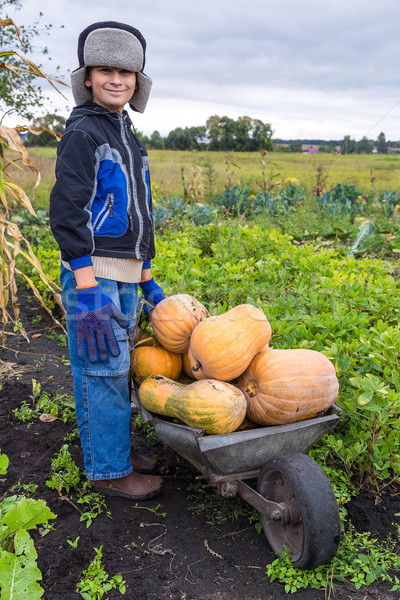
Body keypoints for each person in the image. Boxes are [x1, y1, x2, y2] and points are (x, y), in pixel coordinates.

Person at [50, 21, 164, 500]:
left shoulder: (126, 135)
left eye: (126, 71)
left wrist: (148, 279)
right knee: (102, 370)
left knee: (119, 367)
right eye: (105, 70)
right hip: (92, 277)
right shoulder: (84, 133)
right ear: (88, 77)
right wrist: (88, 287)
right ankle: (110, 471)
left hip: (124, 277)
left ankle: (109, 447)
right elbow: (66, 212)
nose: (117, 80)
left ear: (138, 81)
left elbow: (138, 215)